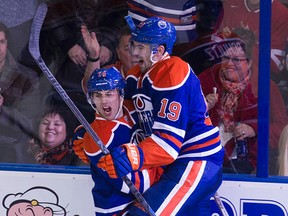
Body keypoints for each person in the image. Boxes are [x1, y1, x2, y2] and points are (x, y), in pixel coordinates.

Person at [95, 16, 224, 215]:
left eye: (141, 47)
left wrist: (133, 155)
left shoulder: (173, 72)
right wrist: (96, 131)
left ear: (160, 51)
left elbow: (168, 144)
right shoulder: (137, 74)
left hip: (195, 159)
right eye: (133, 45)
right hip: (172, 164)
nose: (134, 53)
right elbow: (124, 115)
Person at [72, 66, 162, 215]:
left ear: (120, 94)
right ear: (91, 99)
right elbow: (136, 185)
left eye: (109, 94)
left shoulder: (133, 107)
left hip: (147, 203)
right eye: (98, 95)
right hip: (119, 210)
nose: (104, 101)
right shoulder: (97, 140)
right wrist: (166, 164)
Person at [198, 36, 258, 174]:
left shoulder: (262, 86)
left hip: (246, 162)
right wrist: (203, 105)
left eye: (236, 59)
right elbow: (184, 114)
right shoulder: (206, 79)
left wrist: (253, 129)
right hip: (205, 155)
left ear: (249, 63)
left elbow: (280, 126)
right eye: (225, 58)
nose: (229, 64)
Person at [0, 22, 42, 163]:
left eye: (1, 42)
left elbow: (32, 124)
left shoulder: (26, 77)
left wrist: (2, 111)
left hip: (13, 152)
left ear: (7, 44)